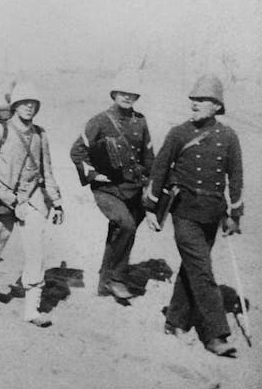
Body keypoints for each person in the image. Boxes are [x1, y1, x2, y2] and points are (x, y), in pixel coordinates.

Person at [144, 74, 243, 357]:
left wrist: (234, 214)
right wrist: (151, 207)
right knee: (202, 270)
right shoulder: (179, 133)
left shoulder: (228, 137)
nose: (195, 104)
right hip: (184, 212)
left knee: (192, 268)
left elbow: (235, 177)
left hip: (213, 214)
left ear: (216, 105)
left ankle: (174, 321)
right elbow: (159, 169)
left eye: (202, 100)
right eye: (194, 99)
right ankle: (216, 334)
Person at [0, 82, 64, 327]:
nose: (29, 107)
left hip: (32, 200)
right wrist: (2, 193)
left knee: (36, 251)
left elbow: (47, 171)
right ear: (15, 106)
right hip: (3, 201)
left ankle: (32, 309)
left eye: (33, 104)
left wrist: (57, 201)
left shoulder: (40, 135)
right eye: (24, 103)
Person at [69, 70, 154, 300]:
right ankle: (117, 278)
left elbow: (148, 155)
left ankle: (104, 284)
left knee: (120, 232)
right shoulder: (100, 121)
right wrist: (94, 175)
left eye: (132, 94)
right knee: (125, 226)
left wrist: (150, 183)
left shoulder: (141, 121)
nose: (127, 97)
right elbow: (77, 151)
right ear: (114, 94)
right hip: (107, 189)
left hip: (134, 188)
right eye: (123, 93)